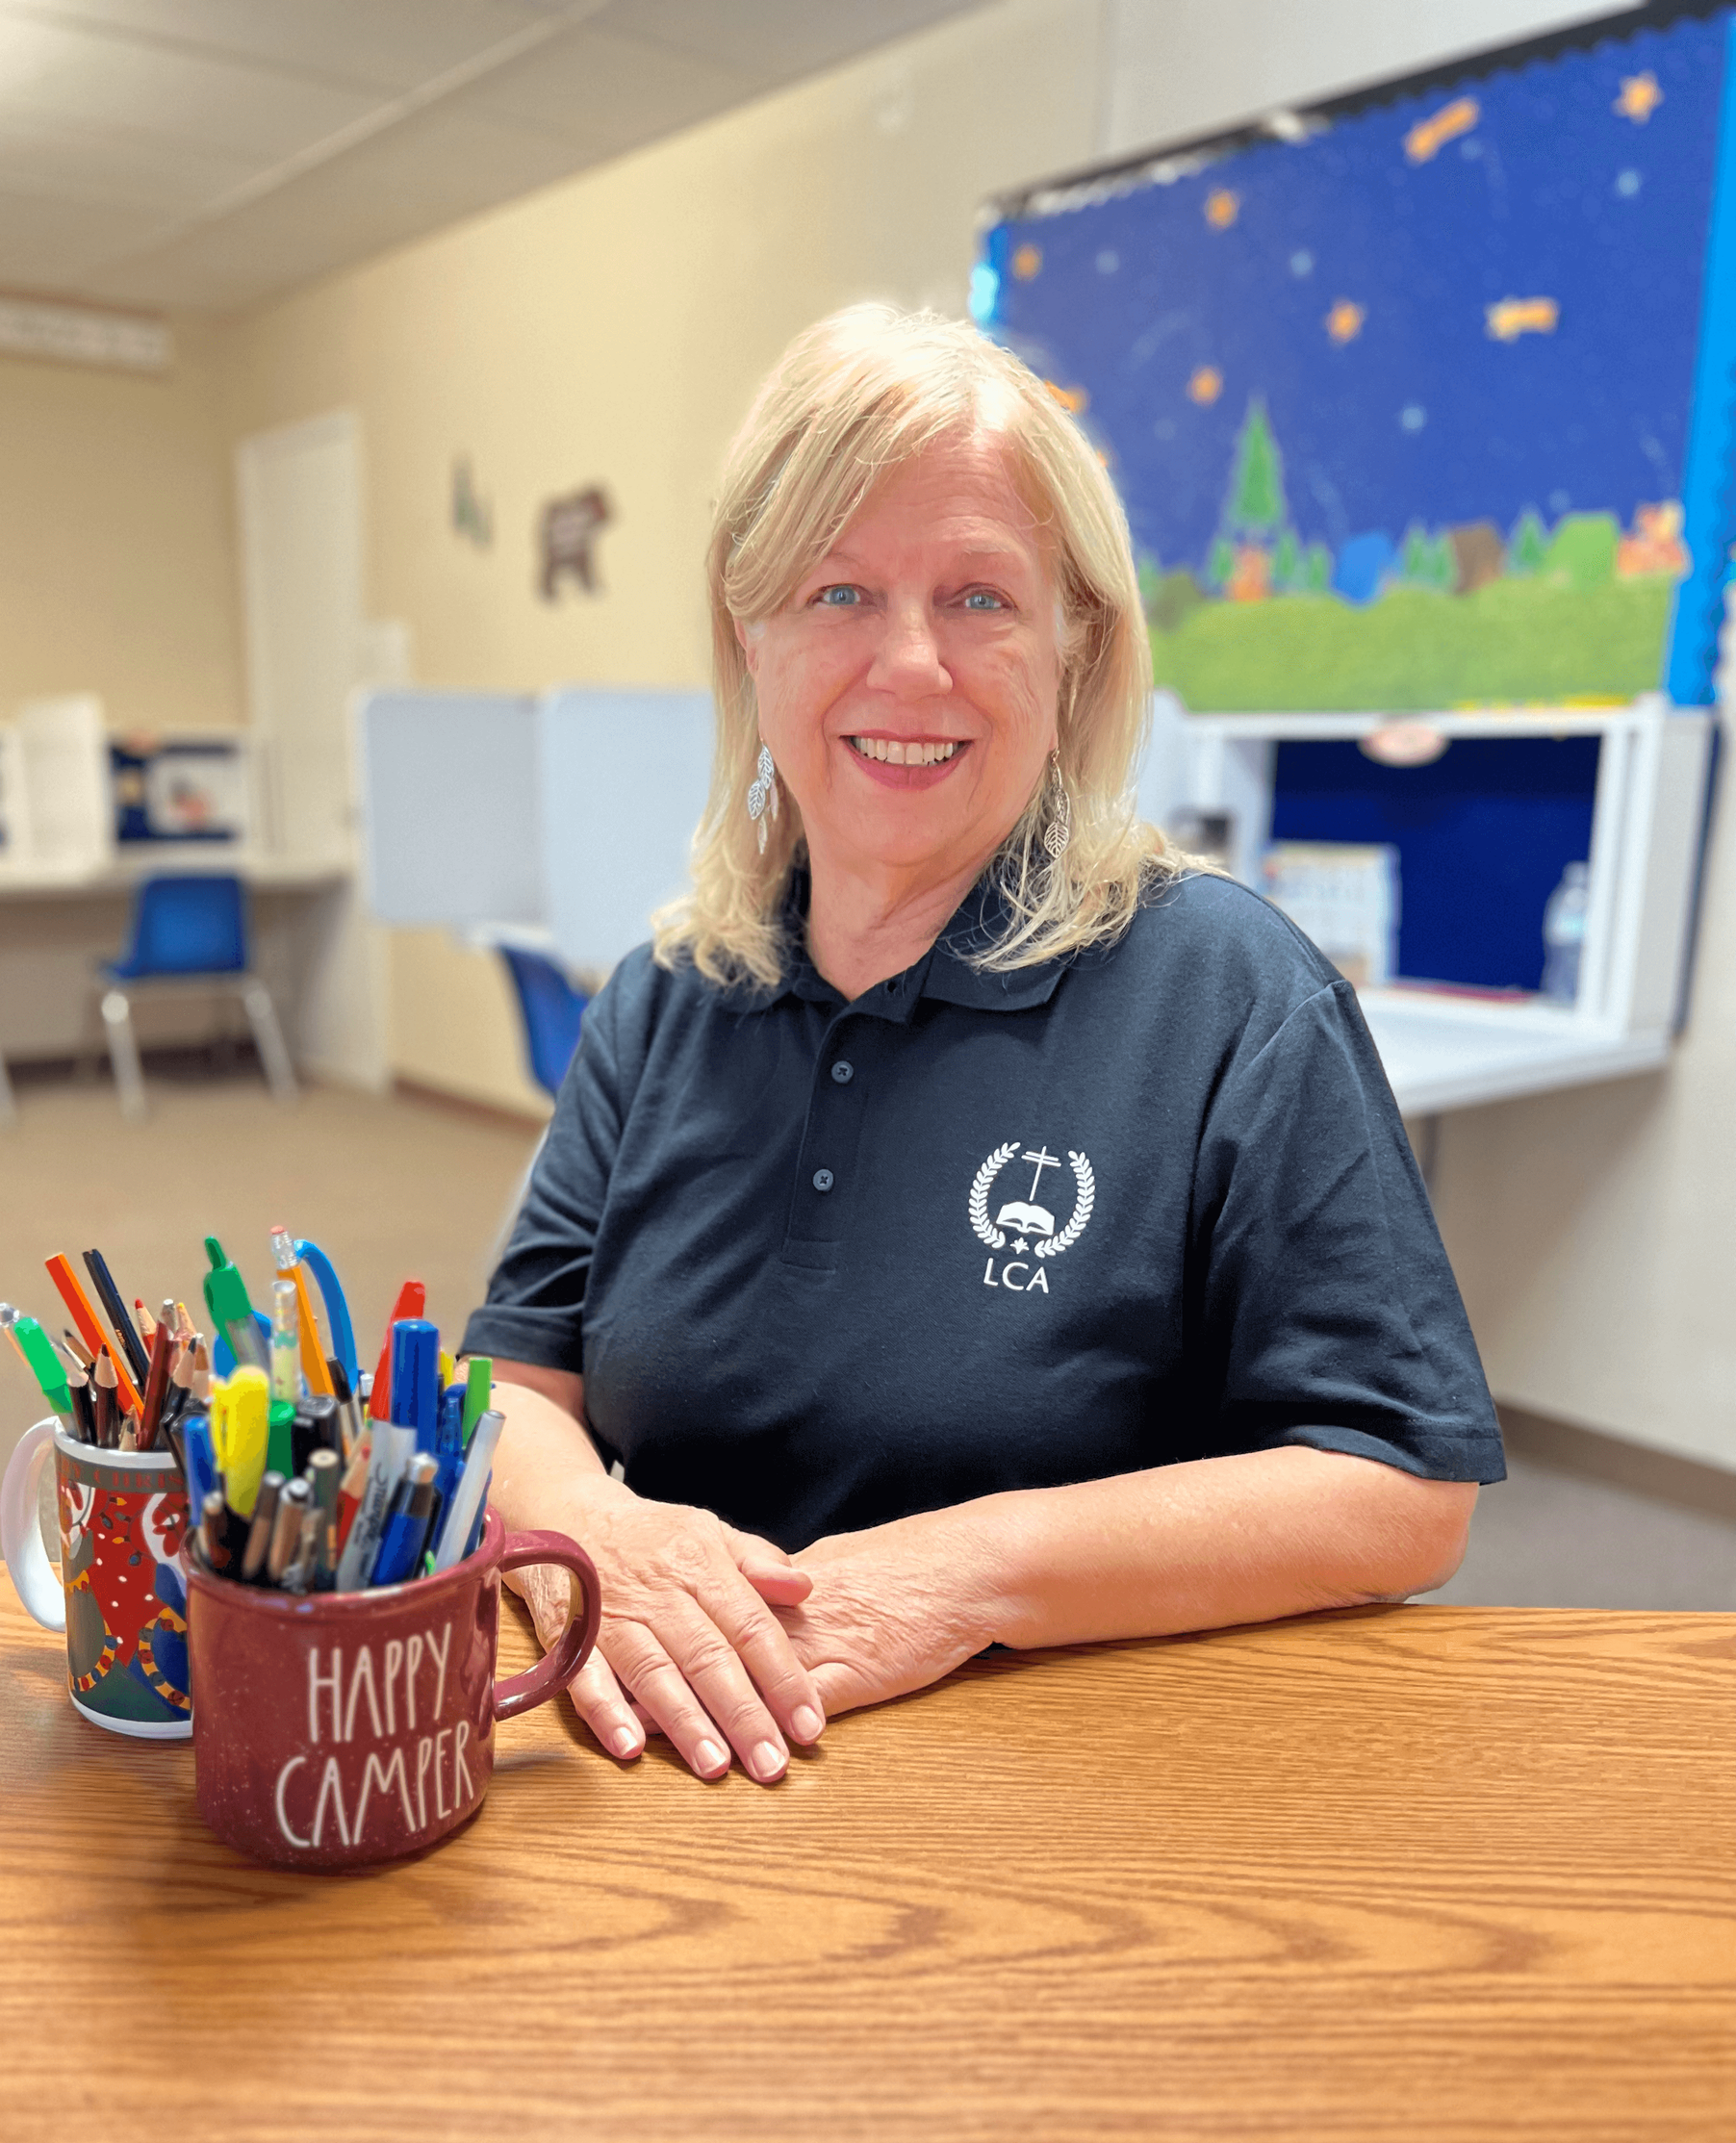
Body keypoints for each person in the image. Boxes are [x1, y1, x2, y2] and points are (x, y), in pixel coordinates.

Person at [460, 305, 1502, 1786]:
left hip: (1084, 1805)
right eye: (836, 592)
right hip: (671, 1781)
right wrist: (605, 1537)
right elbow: (510, 1381)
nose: (909, 666)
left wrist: (964, 1574)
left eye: (979, 598)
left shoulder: (1225, 991)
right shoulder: (665, 995)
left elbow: (1404, 1488)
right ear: (749, 639)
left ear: (1074, 648)